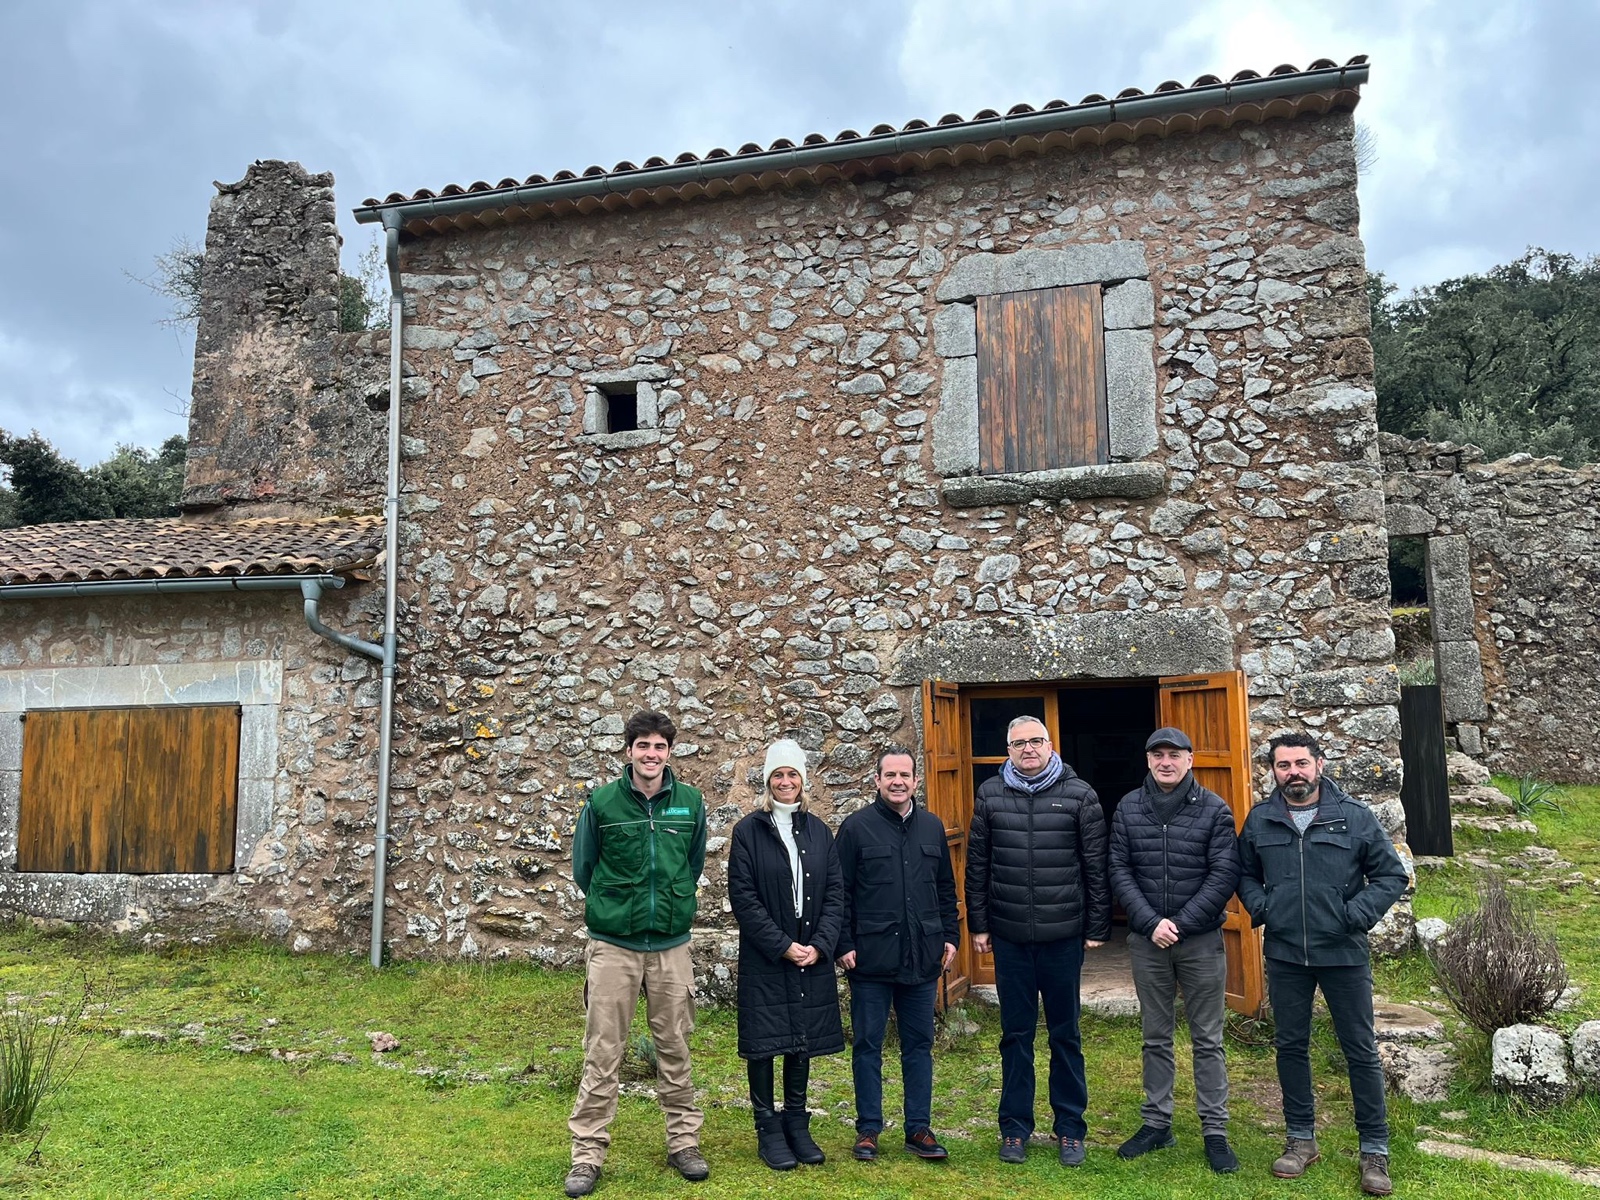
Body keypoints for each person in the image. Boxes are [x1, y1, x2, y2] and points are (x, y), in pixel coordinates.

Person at [1237, 732, 1409, 1198]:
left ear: (1319, 764)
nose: (1293, 772)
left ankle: (1374, 1150)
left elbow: (1392, 874)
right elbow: (1244, 873)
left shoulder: (1353, 817)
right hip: (1286, 953)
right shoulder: (1261, 819)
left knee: (1359, 1050)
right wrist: (1265, 907)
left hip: (1343, 954)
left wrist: (1353, 916)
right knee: (1291, 1046)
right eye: (1283, 765)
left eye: (1300, 763)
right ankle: (1300, 1139)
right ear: (1272, 770)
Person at [564, 710, 709, 1198]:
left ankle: (684, 1143)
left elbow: (693, 863)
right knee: (603, 1051)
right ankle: (587, 1154)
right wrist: (616, 909)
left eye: (660, 746)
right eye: (643, 745)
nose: (652, 754)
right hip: (614, 948)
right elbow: (585, 867)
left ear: (670, 752)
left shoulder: (690, 803)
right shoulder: (603, 802)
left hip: (671, 947)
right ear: (629, 750)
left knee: (676, 1047)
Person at [966, 715, 1110, 1168]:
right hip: (1009, 937)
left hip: (1062, 936)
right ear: (1006, 750)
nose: (1027, 749)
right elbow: (977, 864)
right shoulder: (990, 794)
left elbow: (1096, 865)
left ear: (1050, 746)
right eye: (1017, 743)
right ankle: (1014, 1128)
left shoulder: (1080, 794)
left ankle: (1070, 1128)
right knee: (1016, 1035)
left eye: (1035, 741)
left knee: (1065, 1034)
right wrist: (980, 924)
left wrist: (1096, 927)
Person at [1109, 726, 1242, 1173]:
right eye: (1158, 755)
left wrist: (1180, 925)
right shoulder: (1129, 807)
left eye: (1175, 755)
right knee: (1155, 1036)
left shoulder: (1214, 810)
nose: (1166, 762)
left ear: (1190, 760)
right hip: (1148, 942)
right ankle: (1157, 1123)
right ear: (1148, 760)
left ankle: (1216, 1131)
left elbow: (1223, 875)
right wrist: (1150, 923)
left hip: (1200, 941)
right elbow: (1119, 868)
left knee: (1208, 1038)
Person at [834, 745, 959, 1163]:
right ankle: (868, 1129)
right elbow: (840, 893)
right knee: (868, 1045)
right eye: (890, 775)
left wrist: (951, 936)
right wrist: (843, 943)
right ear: (877, 780)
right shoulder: (855, 828)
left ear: (916, 781)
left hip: (922, 957)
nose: (898, 782)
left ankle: (918, 1129)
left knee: (918, 1045)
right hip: (869, 958)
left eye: (905, 775)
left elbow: (945, 888)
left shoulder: (932, 827)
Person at [727, 739, 846, 1171]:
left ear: (803, 780)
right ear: (767, 781)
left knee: (801, 1039)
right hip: (768, 954)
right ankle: (767, 1127)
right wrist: (782, 946)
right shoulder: (748, 831)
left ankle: (797, 1122)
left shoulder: (819, 831)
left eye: (792, 774)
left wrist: (820, 945)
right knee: (763, 1042)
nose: (785, 782)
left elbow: (835, 893)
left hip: (811, 951)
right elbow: (744, 898)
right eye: (778, 775)